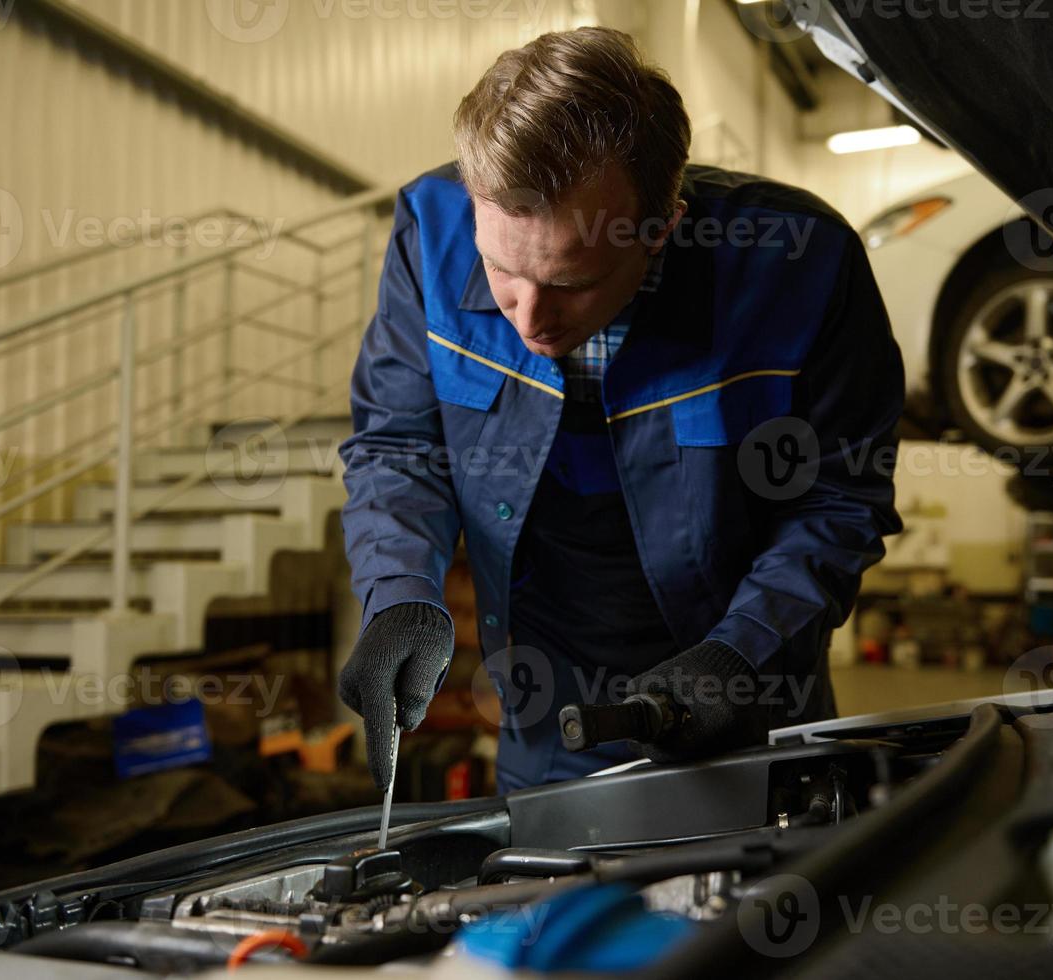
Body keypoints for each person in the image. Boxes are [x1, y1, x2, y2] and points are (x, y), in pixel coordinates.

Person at [337, 26, 903, 793]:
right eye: (501, 269)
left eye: (572, 282)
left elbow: (838, 497)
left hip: (744, 704)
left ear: (660, 229)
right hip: (547, 714)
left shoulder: (799, 267)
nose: (529, 318)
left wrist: (744, 651)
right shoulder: (429, 230)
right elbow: (398, 447)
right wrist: (400, 596)